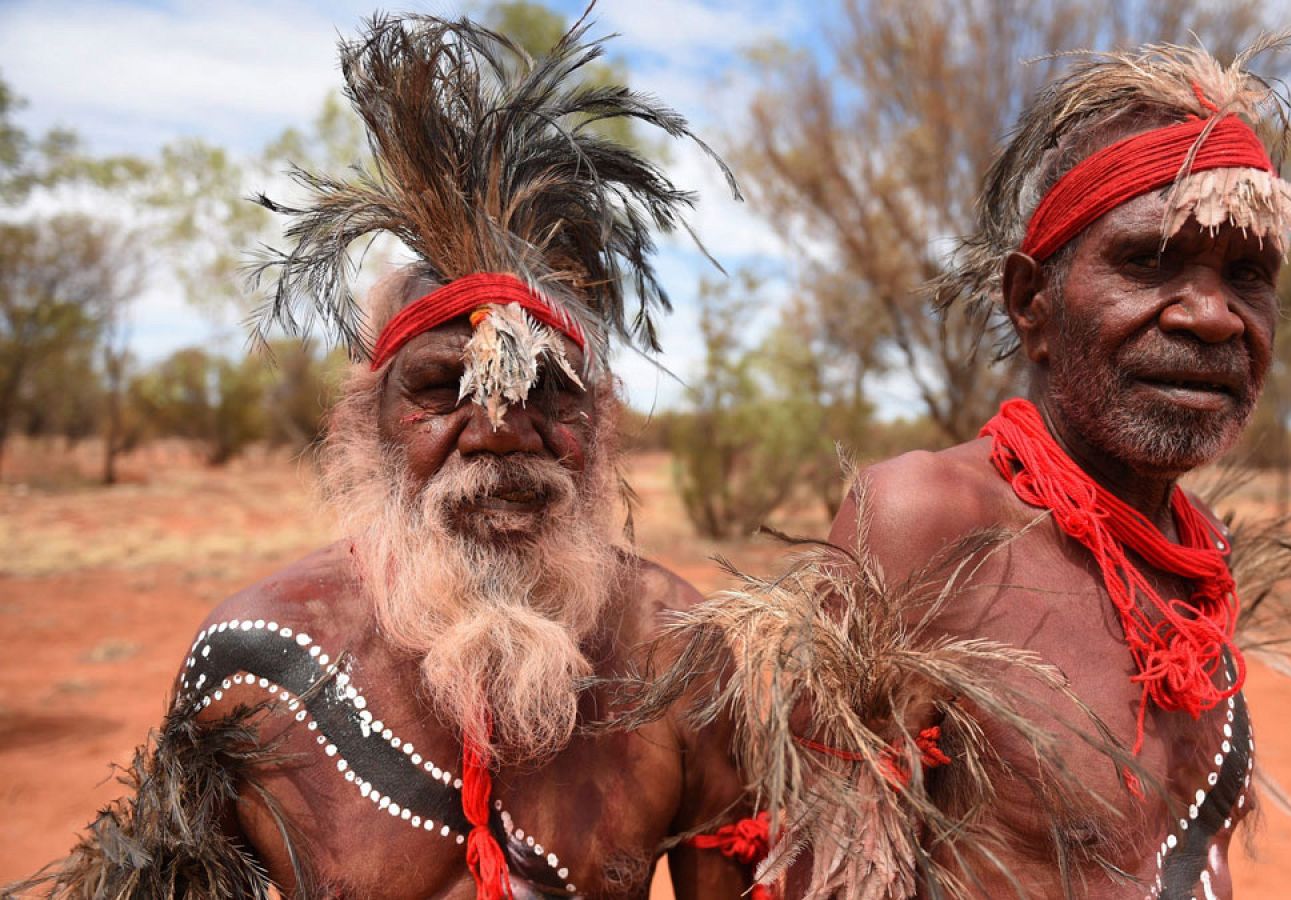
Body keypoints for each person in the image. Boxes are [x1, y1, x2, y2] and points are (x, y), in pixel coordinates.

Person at [643, 25, 1291, 900]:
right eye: (1149, 261)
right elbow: (830, 866)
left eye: (1249, 274)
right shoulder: (927, 521)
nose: (1212, 315)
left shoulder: (1197, 553)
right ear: (1030, 303)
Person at [14, 14, 751, 900]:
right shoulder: (254, 663)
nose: (500, 431)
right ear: (366, 423)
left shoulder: (680, 654)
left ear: (602, 425)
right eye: (442, 388)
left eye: (549, 393)